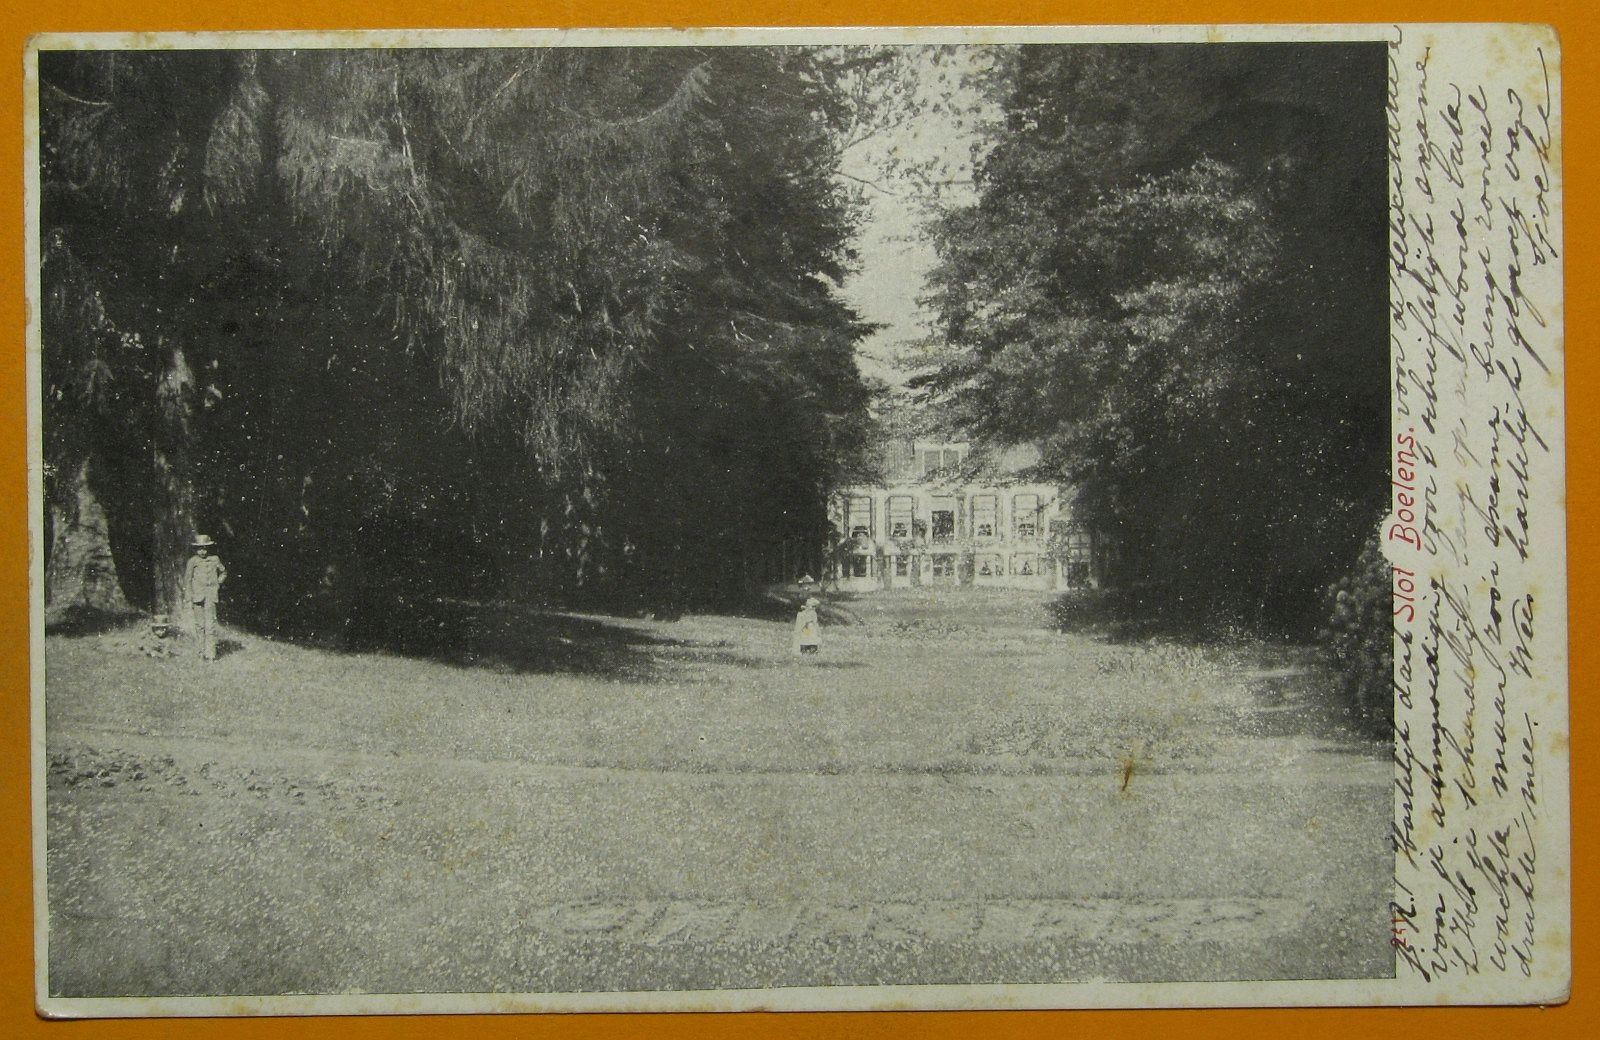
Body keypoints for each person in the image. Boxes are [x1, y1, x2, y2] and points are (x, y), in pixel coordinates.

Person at [184, 534, 227, 660]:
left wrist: (218, 583)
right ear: (195, 549)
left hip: (210, 596)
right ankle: (201, 653)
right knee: (200, 625)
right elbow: (187, 579)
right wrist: (188, 596)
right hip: (197, 596)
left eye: (204, 548)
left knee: (210, 625)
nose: (202, 551)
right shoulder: (192, 561)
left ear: (208, 548)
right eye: (199, 549)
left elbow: (224, 572)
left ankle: (211, 654)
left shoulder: (215, 559)